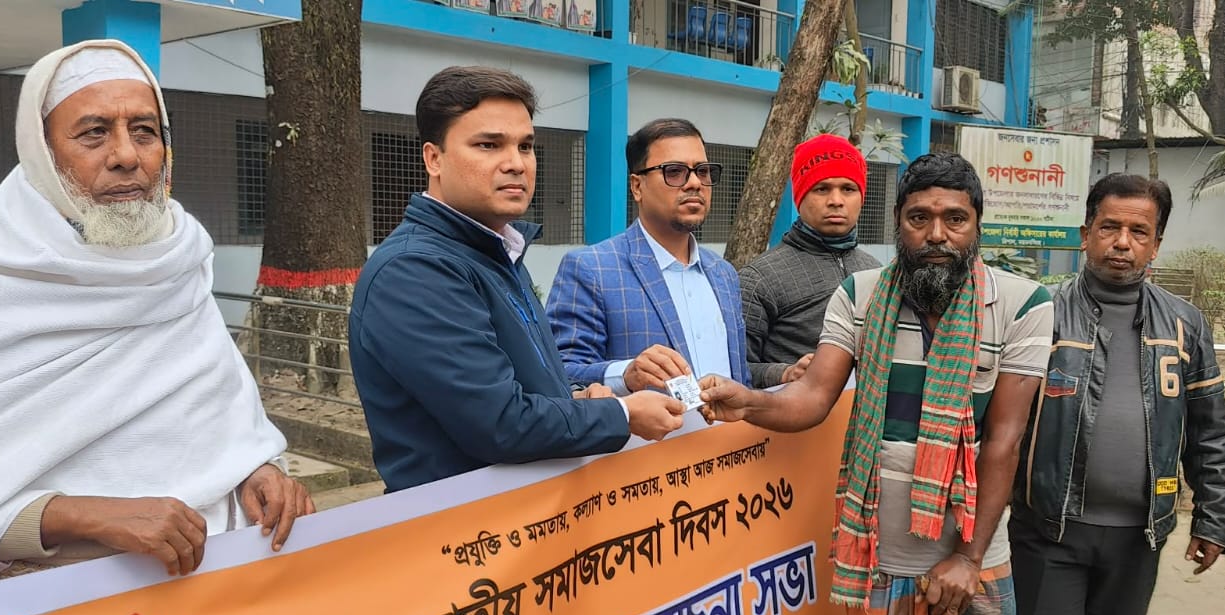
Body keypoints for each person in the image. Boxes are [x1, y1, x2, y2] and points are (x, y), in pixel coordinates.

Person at [0, 40, 312, 601]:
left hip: (222, 601)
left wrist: (256, 470)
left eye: (144, 131)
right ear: (41, 154)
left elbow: (219, 418)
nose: (126, 155)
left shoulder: (177, 264)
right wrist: (79, 516)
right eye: (94, 133)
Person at [700, 153, 1054, 615]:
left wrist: (968, 558)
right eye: (919, 218)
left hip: (971, 558)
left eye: (954, 219)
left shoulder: (1022, 304)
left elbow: (1004, 441)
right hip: (874, 558)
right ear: (897, 222)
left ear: (976, 224)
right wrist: (750, 402)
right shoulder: (860, 294)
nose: (936, 235)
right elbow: (813, 396)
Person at [348, 66, 685, 494]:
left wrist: (576, 400)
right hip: (463, 525)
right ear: (434, 158)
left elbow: (519, 385)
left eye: (526, 146)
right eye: (488, 145)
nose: (515, 163)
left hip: (529, 516)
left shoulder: (497, 252)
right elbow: (500, 424)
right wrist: (622, 414)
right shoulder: (415, 270)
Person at [1010, 173, 1225, 615]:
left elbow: (1209, 430)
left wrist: (1213, 519)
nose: (1122, 242)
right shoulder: (1042, 313)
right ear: (1085, 233)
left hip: (1139, 538)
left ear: (1156, 244)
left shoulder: (1185, 324)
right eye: (1109, 227)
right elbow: (999, 422)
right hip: (1049, 531)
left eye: (1139, 232)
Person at [546, 118, 749, 397]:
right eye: (674, 171)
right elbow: (558, 373)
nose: (694, 183)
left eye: (702, 171)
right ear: (637, 187)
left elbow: (741, 375)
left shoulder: (723, 274)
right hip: (646, 427)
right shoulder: (592, 270)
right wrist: (625, 375)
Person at [739, 133, 882, 389]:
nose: (836, 201)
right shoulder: (759, 278)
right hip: (792, 412)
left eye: (848, 189)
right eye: (821, 189)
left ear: (862, 197)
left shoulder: (876, 272)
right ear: (800, 196)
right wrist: (784, 373)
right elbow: (735, 368)